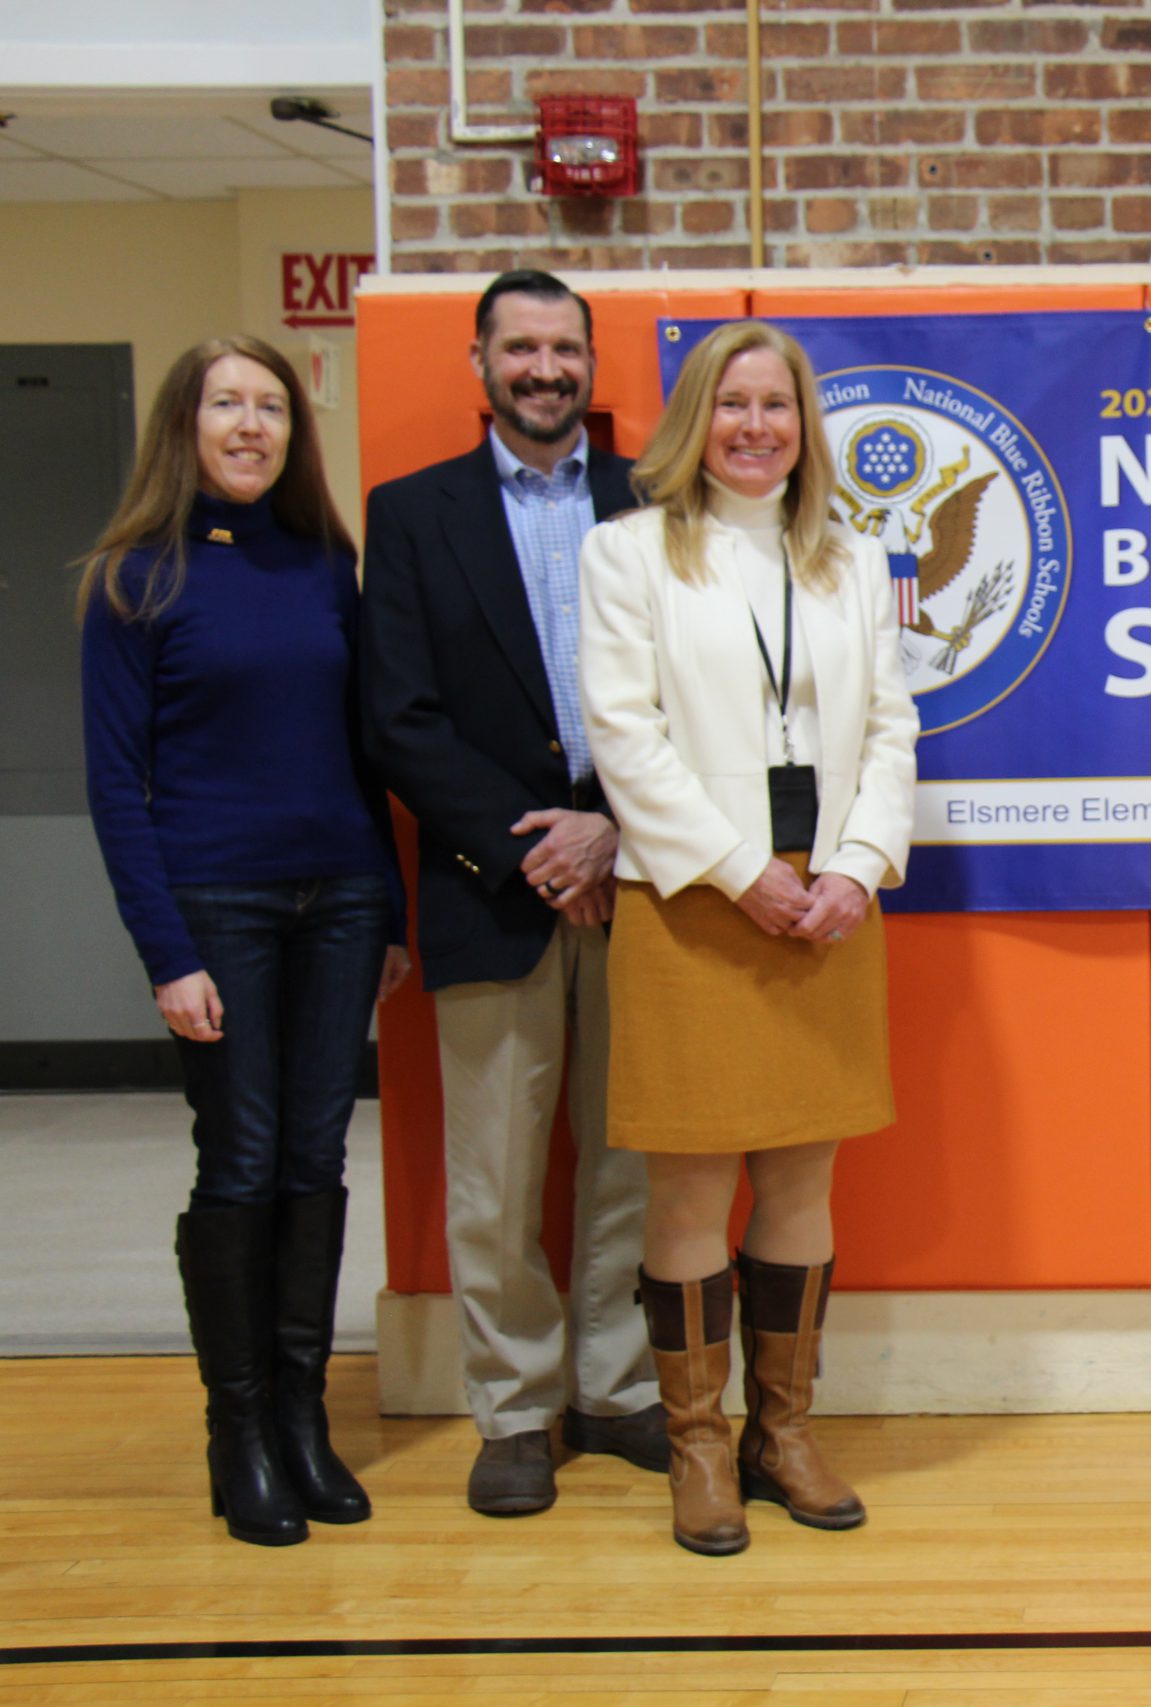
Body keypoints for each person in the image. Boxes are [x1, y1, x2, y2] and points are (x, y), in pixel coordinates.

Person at [580, 320, 918, 1556]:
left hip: (825, 907)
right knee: (689, 1187)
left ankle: (785, 1430)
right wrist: (739, 873)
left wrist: (857, 866)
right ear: (695, 421)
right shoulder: (628, 557)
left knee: (800, 1181)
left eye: (776, 406)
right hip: (693, 904)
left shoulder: (847, 559)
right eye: (732, 406)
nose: (755, 427)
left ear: (802, 425)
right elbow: (625, 738)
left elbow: (890, 729)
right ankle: (699, 1447)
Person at [79, 335, 409, 1547]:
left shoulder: (326, 564)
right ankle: (241, 1430)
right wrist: (166, 952)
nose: (252, 425)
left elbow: (361, 754)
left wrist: (388, 902)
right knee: (243, 1160)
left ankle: (306, 1421)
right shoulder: (133, 578)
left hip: (339, 903)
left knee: (316, 1160)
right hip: (215, 908)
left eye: (272, 406)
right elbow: (118, 787)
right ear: (186, 423)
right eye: (228, 403)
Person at [360, 270, 666, 1517]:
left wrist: (611, 830)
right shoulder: (413, 514)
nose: (545, 369)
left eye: (564, 349)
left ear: (591, 364)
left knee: (628, 1156)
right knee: (493, 1173)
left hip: (643, 877)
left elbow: (691, 700)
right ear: (477, 361)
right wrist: (529, 845)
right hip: (492, 886)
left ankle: (614, 1385)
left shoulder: (649, 501)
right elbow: (399, 719)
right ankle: (517, 1407)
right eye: (520, 348)